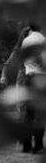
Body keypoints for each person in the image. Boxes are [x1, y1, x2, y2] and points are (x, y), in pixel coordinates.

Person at [19, 25, 46, 154]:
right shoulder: (43, 40)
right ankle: (38, 146)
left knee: (29, 113)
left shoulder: (26, 40)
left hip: (29, 78)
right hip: (41, 79)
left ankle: (26, 144)